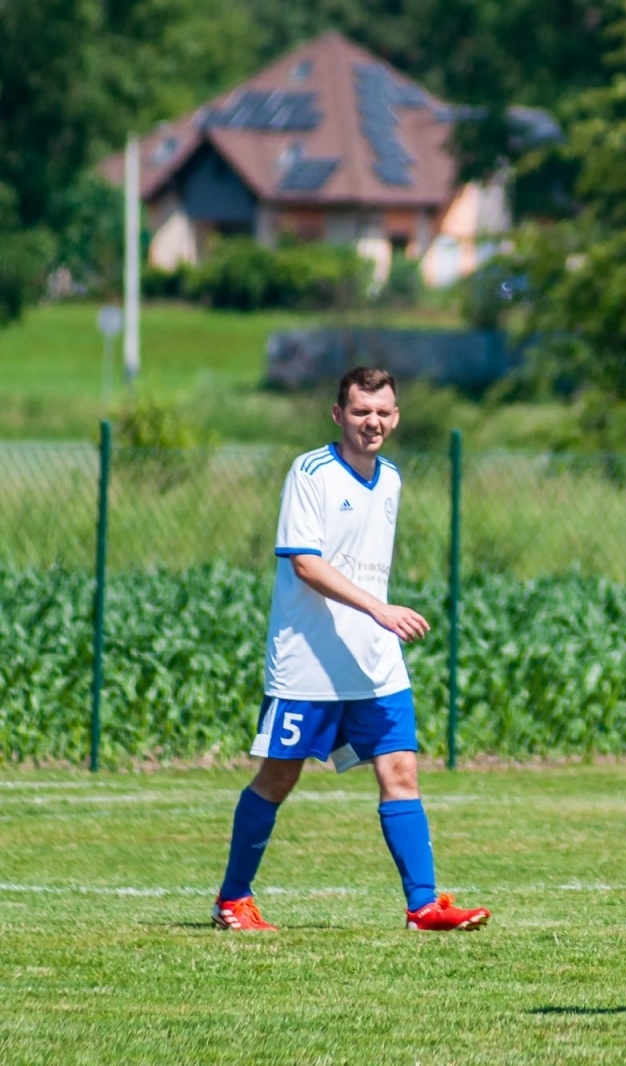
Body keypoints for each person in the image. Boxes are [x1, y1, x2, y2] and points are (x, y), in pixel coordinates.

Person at [211, 367, 490, 934]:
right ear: (339, 414)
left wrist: (376, 620)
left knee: (401, 772)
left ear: (397, 417)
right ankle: (232, 900)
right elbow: (305, 563)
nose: (373, 422)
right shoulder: (310, 472)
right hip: (309, 662)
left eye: (383, 412)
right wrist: (378, 609)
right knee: (277, 778)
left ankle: (424, 906)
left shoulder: (391, 478)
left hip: (375, 662)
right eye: (362, 411)